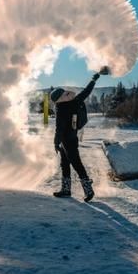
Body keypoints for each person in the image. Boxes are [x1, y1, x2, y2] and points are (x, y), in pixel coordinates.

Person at [50, 68, 107, 202]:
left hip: (67, 140)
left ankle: (88, 189)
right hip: (71, 139)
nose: (66, 93)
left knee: (75, 163)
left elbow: (59, 128)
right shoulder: (73, 103)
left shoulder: (62, 108)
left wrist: (55, 142)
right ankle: (66, 190)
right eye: (63, 93)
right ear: (60, 98)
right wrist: (94, 79)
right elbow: (86, 91)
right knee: (65, 163)